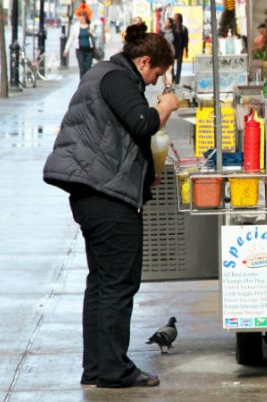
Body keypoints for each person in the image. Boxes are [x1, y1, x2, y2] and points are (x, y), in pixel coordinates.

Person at [42, 22, 179, 388]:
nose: (155, 82)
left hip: (94, 193)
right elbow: (143, 123)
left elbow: (117, 135)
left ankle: (97, 367)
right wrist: (166, 106)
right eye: (156, 74)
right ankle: (115, 370)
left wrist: (146, 174)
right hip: (107, 197)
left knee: (102, 284)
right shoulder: (116, 78)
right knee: (119, 283)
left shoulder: (106, 75)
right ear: (144, 61)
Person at [64, 12, 95, 78]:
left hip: (89, 50)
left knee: (88, 68)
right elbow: (71, 38)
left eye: (83, 17)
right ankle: (82, 82)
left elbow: (95, 38)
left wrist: (92, 33)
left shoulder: (90, 26)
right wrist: (66, 49)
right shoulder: (76, 27)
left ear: (86, 18)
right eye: (81, 17)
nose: (82, 19)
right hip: (80, 50)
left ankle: (88, 82)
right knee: (82, 68)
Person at [172, 13, 189, 85]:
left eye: (175, 17)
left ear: (179, 19)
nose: (174, 18)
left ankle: (177, 80)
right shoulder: (172, 27)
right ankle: (172, 78)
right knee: (171, 65)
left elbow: (186, 40)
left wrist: (186, 50)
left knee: (179, 66)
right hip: (172, 49)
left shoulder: (184, 28)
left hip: (180, 49)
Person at [162, 17, 175, 88]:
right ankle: (165, 86)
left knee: (169, 70)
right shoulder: (162, 31)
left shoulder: (174, 32)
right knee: (163, 71)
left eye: (166, 21)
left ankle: (169, 86)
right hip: (163, 53)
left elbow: (176, 42)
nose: (165, 22)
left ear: (170, 23)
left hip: (171, 53)